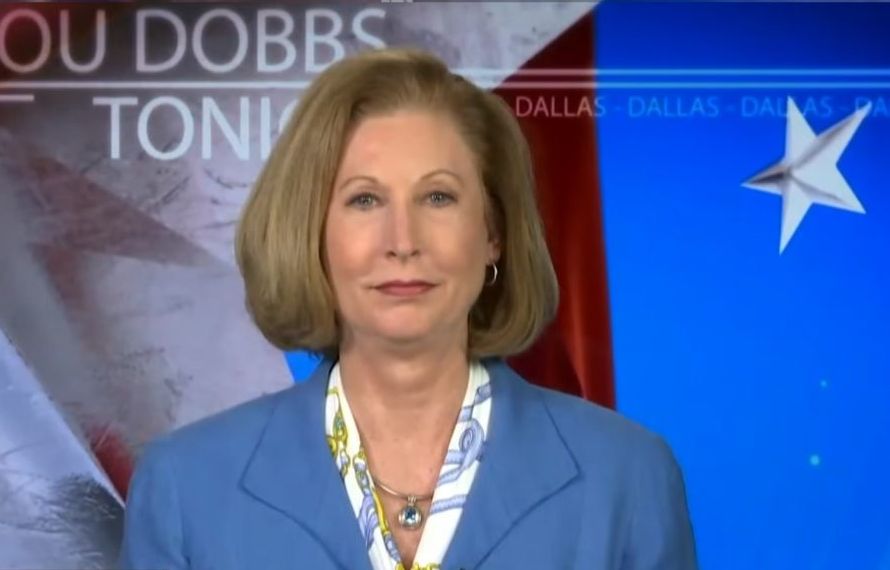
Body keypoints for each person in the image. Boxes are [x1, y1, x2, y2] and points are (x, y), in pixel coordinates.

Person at [119, 47, 698, 570]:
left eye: (438, 197)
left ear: (493, 234)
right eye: (365, 199)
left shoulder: (626, 477)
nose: (402, 240)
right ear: (311, 233)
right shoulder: (185, 488)